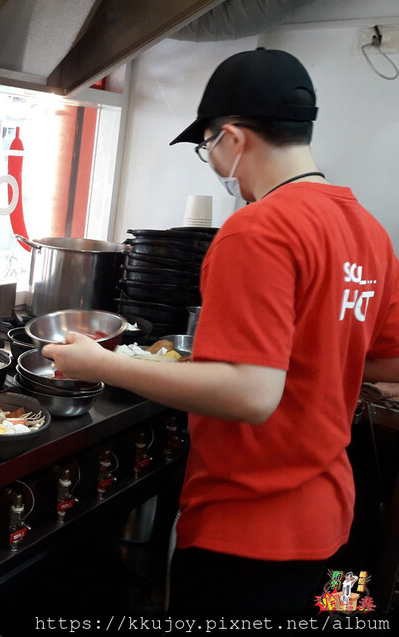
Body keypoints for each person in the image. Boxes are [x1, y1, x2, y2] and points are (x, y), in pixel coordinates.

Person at [43, 48, 399, 614]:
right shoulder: (368, 230)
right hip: (340, 532)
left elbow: (252, 395)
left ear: (231, 138)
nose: (209, 160)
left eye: (205, 146)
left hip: (249, 542)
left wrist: (103, 365)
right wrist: (318, 357)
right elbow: (387, 359)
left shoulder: (254, 231)